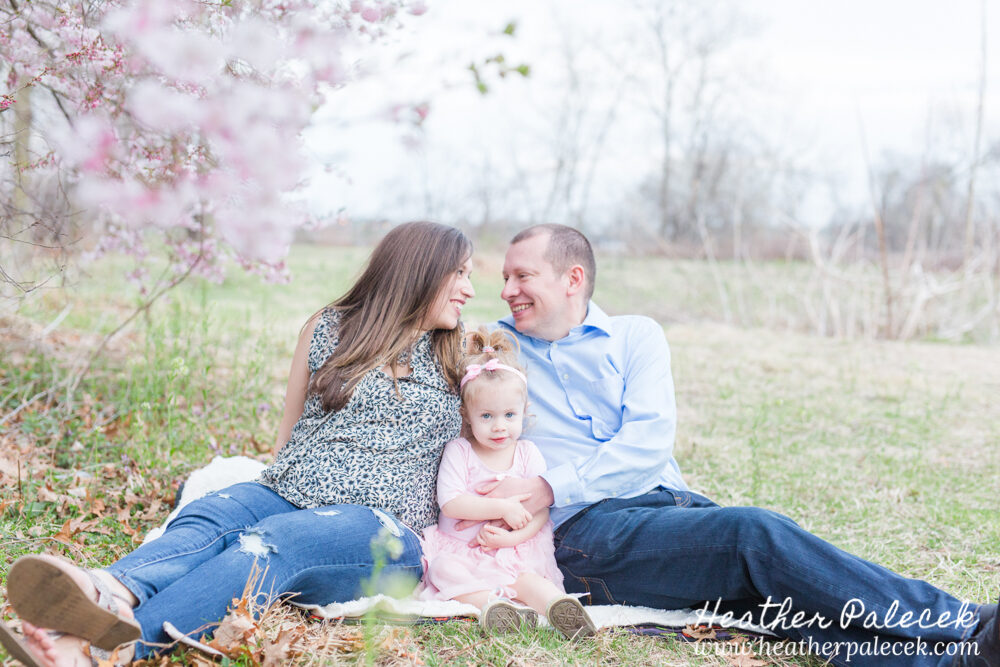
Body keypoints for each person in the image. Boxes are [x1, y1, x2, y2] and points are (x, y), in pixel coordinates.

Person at [463, 222, 998, 667]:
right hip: (585, 530)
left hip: (671, 504)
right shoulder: (494, 348)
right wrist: (545, 491)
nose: (507, 288)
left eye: (521, 276)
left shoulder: (635, 336)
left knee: (771, 591)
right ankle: (966, 619)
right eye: (505, 277)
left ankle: (956, 661)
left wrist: (545, 483)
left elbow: (649, 441)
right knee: (754, 534)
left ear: (572, 278)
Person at [0, 221, 476, 666]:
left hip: (384, 531)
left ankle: (102, 651)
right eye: (459, 273)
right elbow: (289, 433)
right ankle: (106, 592)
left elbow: (507, 409)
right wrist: (260, 496)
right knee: (211, 516)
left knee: (275, 542)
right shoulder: (329, 328)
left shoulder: (461, 355)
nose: (469, 290)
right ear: (420, 269)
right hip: (289, 491)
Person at [418, 328, 596, 640]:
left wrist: (513, 540)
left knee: (527, 579)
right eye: (486, 416)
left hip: (515, 550)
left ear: (523, 413)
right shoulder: (459, 450)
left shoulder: (528, 453)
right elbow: (451, 502)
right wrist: (502, 507)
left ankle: (559, 607)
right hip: (463, 551)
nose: (499, 426)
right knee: (442, 570)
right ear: (467, 416)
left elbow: (541, 511)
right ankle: (495, 607)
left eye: (509, 415)